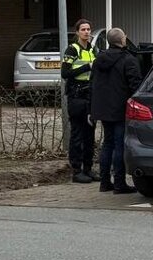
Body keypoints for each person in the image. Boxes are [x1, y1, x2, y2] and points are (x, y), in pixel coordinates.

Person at [90, 28, 142, 194]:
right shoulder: (129, 60)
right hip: (121, 108)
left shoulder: (99, 59)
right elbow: (136, 86)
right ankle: (119, 183)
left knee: (108, 143)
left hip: (104, 108)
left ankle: (105, 182)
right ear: (122, 40)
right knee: (120, 145)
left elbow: (93, 83)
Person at [61, 19, 97, 183]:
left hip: (90, 96)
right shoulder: (72, 49)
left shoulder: (93, 49)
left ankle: (88, 169)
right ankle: (76, 171)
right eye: (83, 29)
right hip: (76, 96)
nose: (86, 32)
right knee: (77, 134)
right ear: (77, 32)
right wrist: (87, 67)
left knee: (90, 134)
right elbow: (65, 73)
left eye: (88, 29)